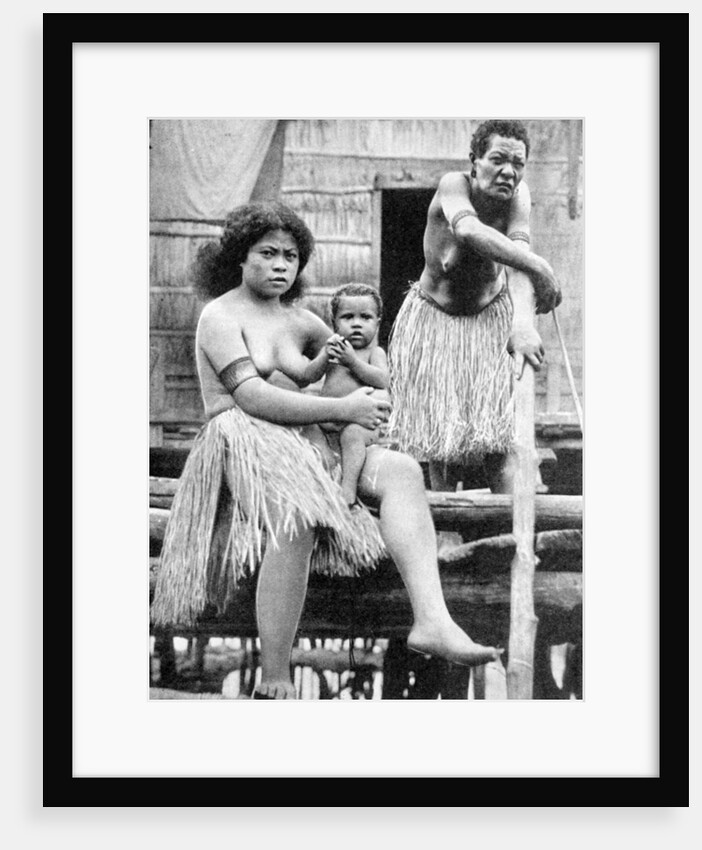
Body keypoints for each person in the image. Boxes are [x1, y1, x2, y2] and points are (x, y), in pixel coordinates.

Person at [151, 201, 501, 699]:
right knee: (297, 517)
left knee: (401, 469)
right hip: (244, 439)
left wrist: (366, 391)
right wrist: (340, 412)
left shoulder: (303, 320)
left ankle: (432, 620)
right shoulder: (220, 315)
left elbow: (355, 359)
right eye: (267, 253)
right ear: (238, 257)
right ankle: (275, 672)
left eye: (290, 256)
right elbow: (250, 396)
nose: (280, 265)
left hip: (315, 438)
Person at [387, 120, 562, 545]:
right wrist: (539, 264)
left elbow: (517, 268)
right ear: (475, 161)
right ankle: (440, 546)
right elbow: (468, 230)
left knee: (499, 441)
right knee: (442, 443)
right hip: (436, 321)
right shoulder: (453, 185)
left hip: (489, 318)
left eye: (517, 163)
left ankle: (509, 544)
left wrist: (521, 324)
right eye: (498, 160)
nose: (508, 172)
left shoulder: (518, 198)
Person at [299, 283, 390, 508]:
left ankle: (347, 489)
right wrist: (323, 358)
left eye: (365, 317)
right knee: (307, 430)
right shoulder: (334, 349)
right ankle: (322, 480)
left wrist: (352, 361)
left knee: (352, 436)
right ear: (335, 323)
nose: (356, 324)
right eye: (348, 317)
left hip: (361, 424)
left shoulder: (374, 352)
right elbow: (310, 375)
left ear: (377, 324)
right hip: (329, 419)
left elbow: (382, 380)